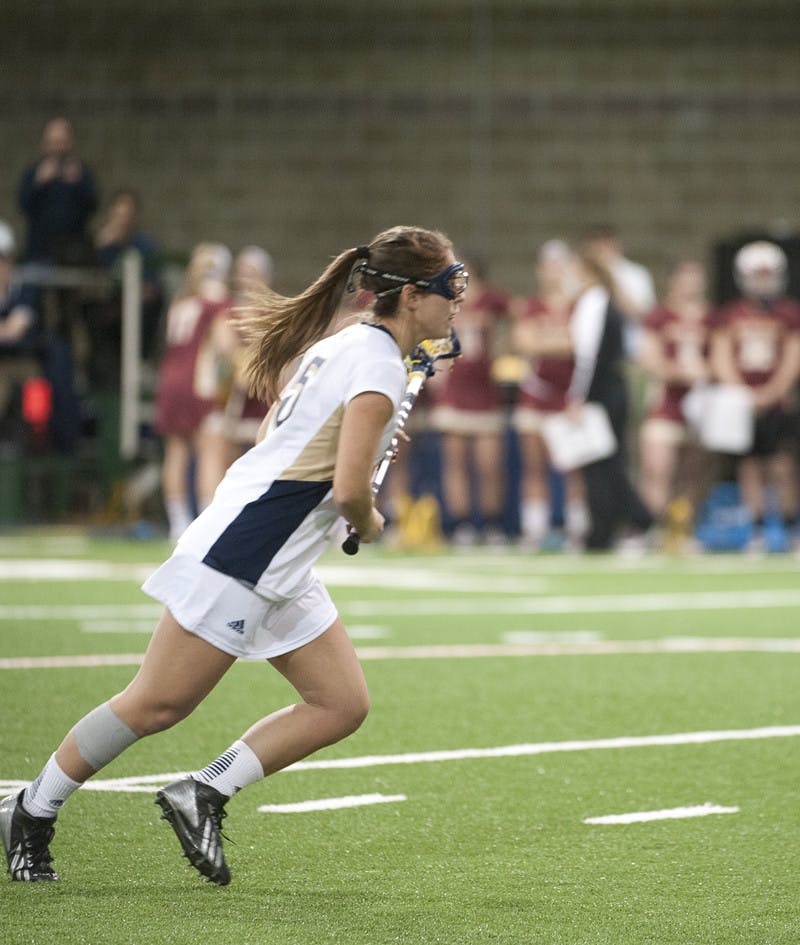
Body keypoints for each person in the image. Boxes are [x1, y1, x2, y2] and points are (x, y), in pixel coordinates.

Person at [0, 225, 467, 886]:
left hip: (278, 556)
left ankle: (204, 792)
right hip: (246, 549)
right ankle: (30, 806)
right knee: (157, 703)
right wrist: (371, 518)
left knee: (340, 701)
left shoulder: (354, 346)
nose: (459, 301)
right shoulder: (379, 363)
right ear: (414, 295)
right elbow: (350, 487)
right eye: (452, 286)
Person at [709, 241, 800, 548]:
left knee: (782, 465)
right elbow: (721, 357)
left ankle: (789, 528)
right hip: (742, 403)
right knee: (750, 467)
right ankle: (758, 530)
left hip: (777, 401)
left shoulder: (788, 314)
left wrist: (774, 391)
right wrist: (744, 394)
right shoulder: (729, 316)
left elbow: (792, 356)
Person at [566, 252, 654, 551]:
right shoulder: (606, 301)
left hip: (602, 390)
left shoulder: (594, 302)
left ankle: (634, 519)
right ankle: (606, 527)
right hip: (612, 387)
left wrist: (578, 396)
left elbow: (588, 357)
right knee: (605, 461)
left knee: (602, 462)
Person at [510, 239, 589, 550]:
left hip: (568, 398)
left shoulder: (579, 307)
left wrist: (549, 340)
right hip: (536, 396)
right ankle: (535, 529)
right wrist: (559, 341)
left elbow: (579, 344)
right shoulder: (532, 306)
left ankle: (576, 529)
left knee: (572, 468)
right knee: (534, 466)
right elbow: (524, 342)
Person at [153, 242, 235, 541]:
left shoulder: (181, 300)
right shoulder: (216, 299)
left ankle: (178, 522)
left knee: (176, 451)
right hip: (198, 382)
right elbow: (226, 347)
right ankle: (207, 522)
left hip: (170, 379)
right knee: (210, 450)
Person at [430, 252, 509, 545]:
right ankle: (461, 523)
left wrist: (504, 345)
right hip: (454, 388)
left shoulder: (492, 300)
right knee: (455, 461)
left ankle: (492, 523)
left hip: (485, 391)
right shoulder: (443, 300)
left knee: (489, 464)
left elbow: (517, 317)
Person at [638, 259, 713, 526]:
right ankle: (649, 525)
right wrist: (677, 371)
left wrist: (708, 371)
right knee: (657, 468)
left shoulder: (711, 318)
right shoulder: (660, 316)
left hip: (700, 404)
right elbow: (648, 358)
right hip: (665, 402)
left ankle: (682, 528)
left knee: (692, 473)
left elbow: (723, 356)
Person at [17, 117, 99, 265]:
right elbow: (22, 205)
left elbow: (93, 206)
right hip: (39, 253)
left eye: (61, 142)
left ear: (70, 144)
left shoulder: (82, 173)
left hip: (73, 254)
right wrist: (38, 183)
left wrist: (77, 184)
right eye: (53, 143)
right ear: (45, 145)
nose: (57, 148)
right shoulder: (33, 173)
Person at [95, 188, 164, 361]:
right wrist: (98, 245)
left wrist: (124, 306)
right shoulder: (103, 246)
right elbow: (93, 279)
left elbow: (151, 288)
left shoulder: (144, 246)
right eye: (118, 215)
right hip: (106, 306)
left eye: (127, 215)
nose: (122, 221)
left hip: (136, 309)